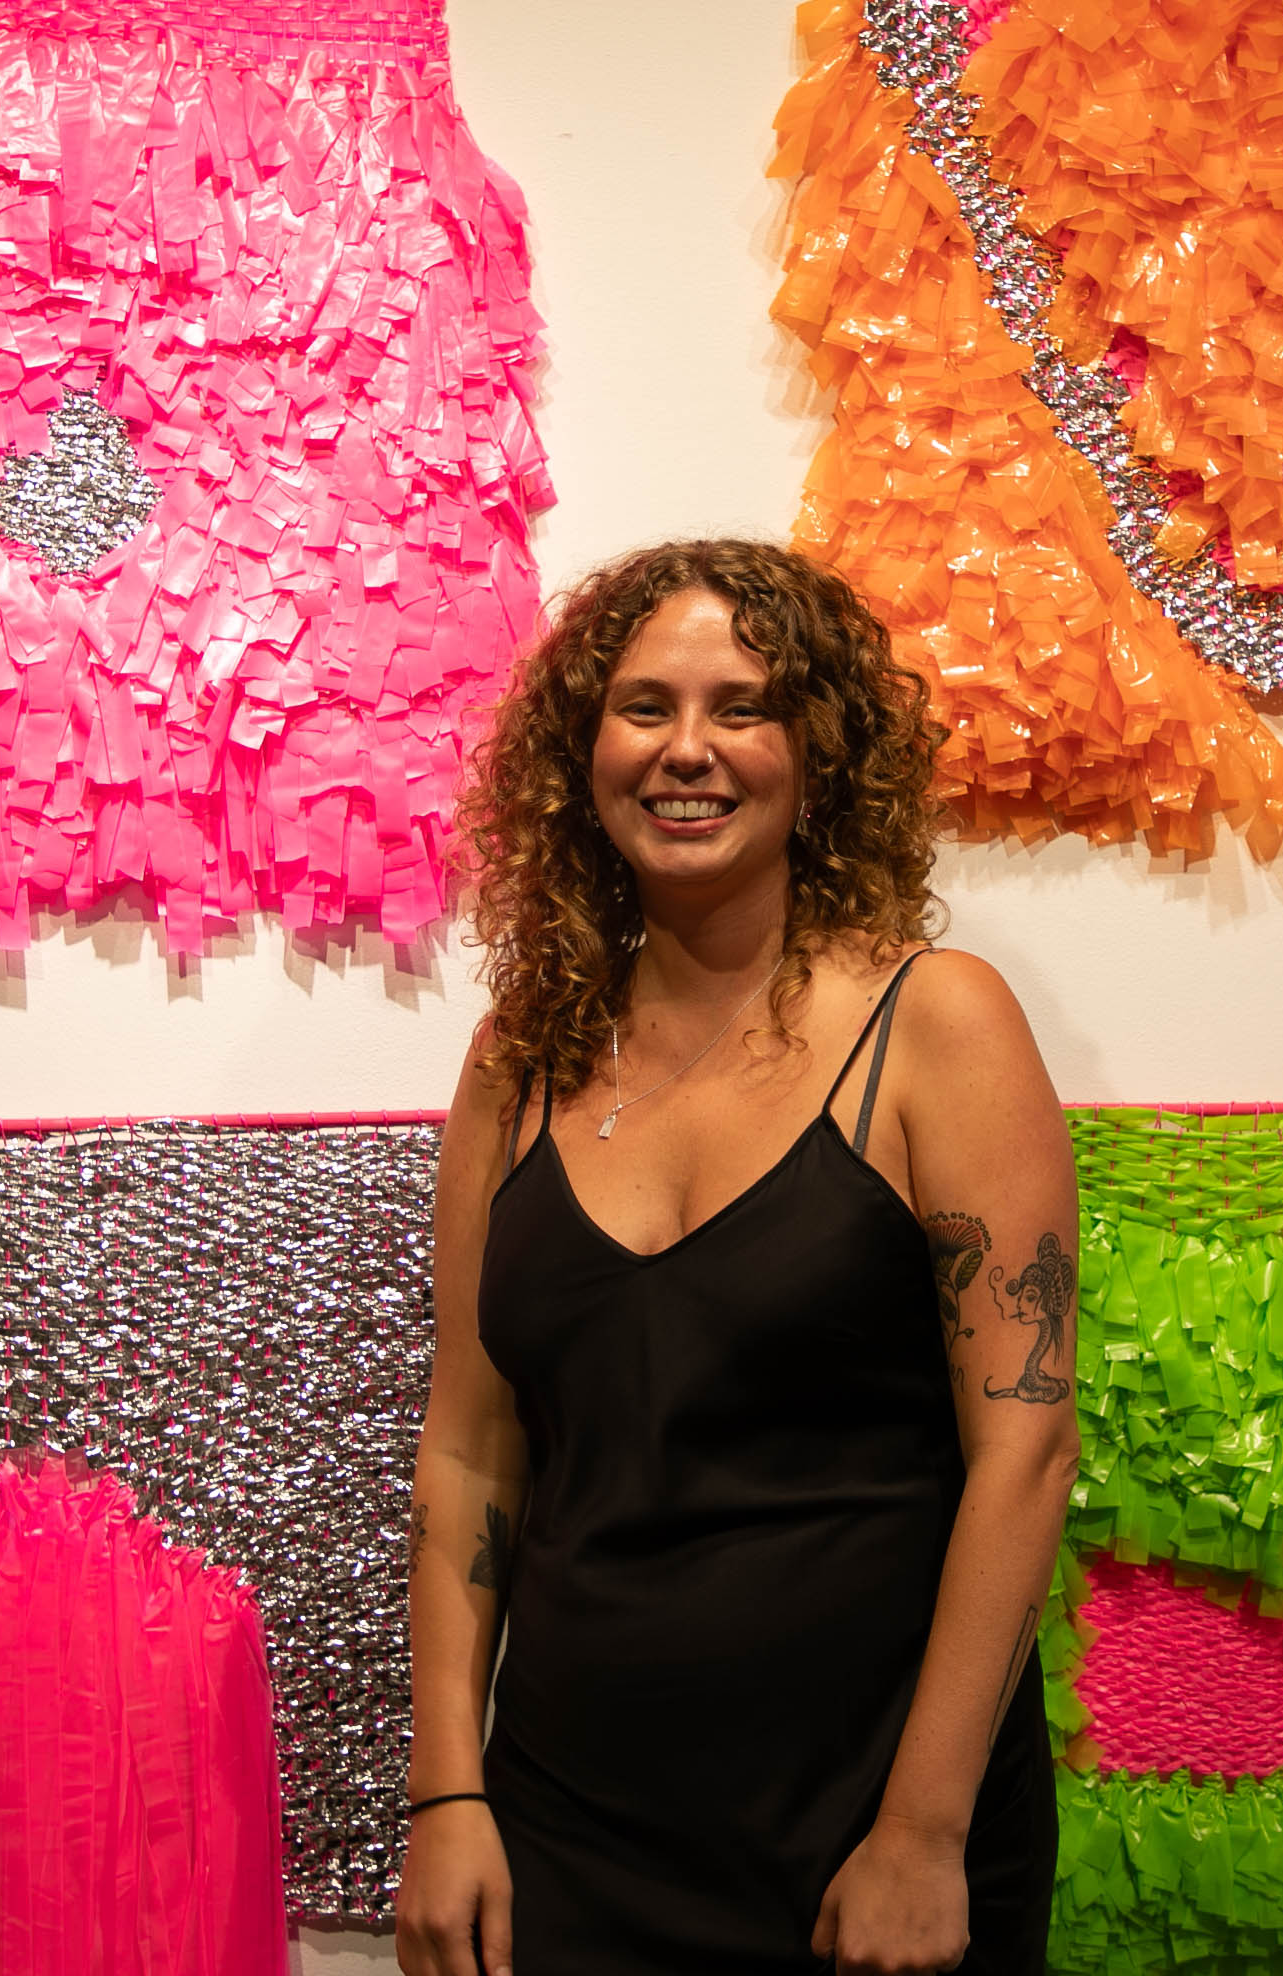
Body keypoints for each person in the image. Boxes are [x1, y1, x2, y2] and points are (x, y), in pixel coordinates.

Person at [394, 539, 1081, 1976]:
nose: (686, 750)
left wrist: (926, 1833)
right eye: (644, 707)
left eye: (742, 706)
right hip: (571, 1827)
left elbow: (1025, 1452)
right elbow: (471, 1446)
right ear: (582, 753)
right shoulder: (518, 1063)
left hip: (870, 1829)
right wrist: (447, 1791)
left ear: (818, 750)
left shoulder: (933, 1023)